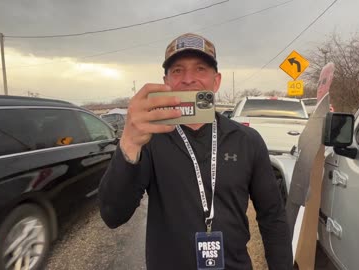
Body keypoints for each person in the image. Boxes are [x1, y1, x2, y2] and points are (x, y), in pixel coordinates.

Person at [98, 33, 292, 269]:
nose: (189, 79)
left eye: (200, 69)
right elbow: (113, 216)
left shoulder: (246, 140)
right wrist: (129, 143)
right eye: (178, 70)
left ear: (216, 80)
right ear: (165, 81)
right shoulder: (150, 139)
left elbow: (273, 216)